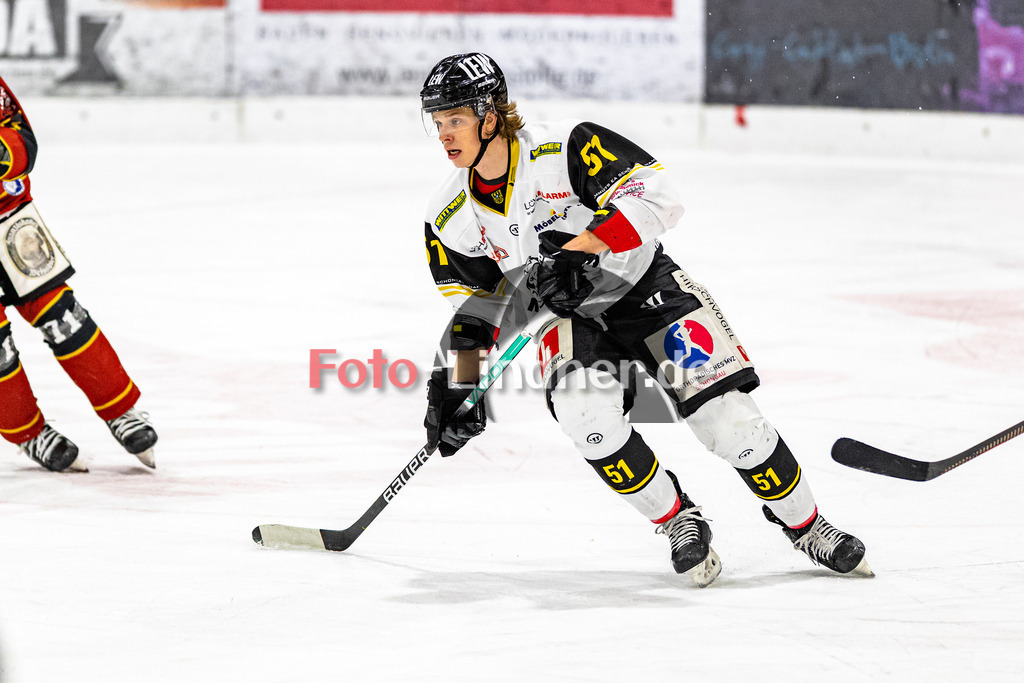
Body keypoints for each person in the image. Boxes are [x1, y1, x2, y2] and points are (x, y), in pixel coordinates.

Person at [419, 53, 870, 586]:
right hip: (570, 319)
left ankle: (809, 527)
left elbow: (657, 197)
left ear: (490, 116)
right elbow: (478, 309)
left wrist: (581, 249)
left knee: (729, 421)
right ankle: (679, 519)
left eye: (456, 119)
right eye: (438, 121)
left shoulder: (562, 146)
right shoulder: (447, 215)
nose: (445, 134)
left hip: (643, 288)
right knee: (584, 415)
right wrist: (458, 384)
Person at [0, 76, 157, 472]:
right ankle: (28, 433)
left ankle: (121, 409)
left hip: (10, 221)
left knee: (64, 317)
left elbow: (23, 142)